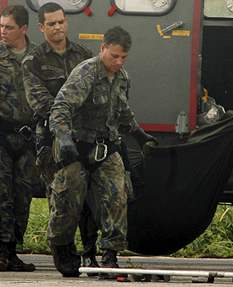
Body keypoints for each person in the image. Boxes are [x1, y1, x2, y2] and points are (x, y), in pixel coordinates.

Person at [47, 26, 156, 277]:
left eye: (123, 58)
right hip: (75, 146)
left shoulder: (122, 78)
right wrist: (63, 139)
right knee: (68, 200)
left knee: (117, 196)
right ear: (103, 48)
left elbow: (123, 111)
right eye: (114, 56)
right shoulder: (86, 73)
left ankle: (110, 254)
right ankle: (62, 248)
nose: (118, 62)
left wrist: (138, 134)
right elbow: (61, 108)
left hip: (104, 147)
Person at [22, 2, 99, 270]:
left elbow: (96, 95)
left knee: (92, 193)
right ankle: (63, 248)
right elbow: (41, 103)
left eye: (61, 21)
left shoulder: (85, 55)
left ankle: (91, 250)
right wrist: (66, 115)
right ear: (41, 27)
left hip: (86, 135)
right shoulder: (33, 62)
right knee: (65, 194)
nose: (58, 27)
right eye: (51, 23)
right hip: (54, 137)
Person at [0, 5, 39, 272]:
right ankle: (1, 250)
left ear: (23, 29)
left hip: (27, 137)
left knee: (22, 194)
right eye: (1, 26)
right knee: (2, 194)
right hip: (1, 134)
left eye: (8, 27)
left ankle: (12, 250)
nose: (2, 32)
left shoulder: (38, 58)